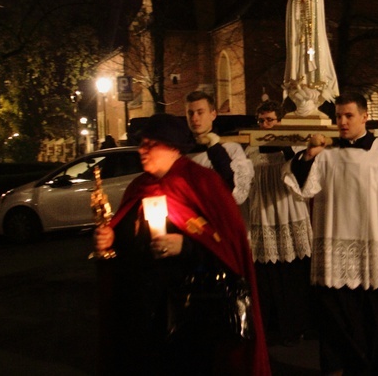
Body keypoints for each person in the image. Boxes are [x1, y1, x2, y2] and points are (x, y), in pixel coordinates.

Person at [93, 113, 270, 375]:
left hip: (194, 311)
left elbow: (227, 248)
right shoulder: (138, 187)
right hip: (145, 311)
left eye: (150, 144)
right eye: (142, 143)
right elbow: (125, 248)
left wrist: (185, 246)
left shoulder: (202, 182)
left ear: (173, 147)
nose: (142, 149)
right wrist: (109, 243)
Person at [282, 92, 378, 375]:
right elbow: (302, 187)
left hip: (374, 247)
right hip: (333, 249)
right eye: (338, 117)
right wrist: (309, 154)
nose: (343, 122)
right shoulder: (327, 153)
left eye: (348, 116)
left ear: (364, 117)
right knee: (337, 321)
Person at [243, 100, 313, 344]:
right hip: (263, 216)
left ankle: (298, 324)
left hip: (289, 213)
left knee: (292, 274)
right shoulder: (251, 150)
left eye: (270, 120)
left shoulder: (292, 145)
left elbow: (301, 178)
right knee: (268, 276)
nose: (264, 125)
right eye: (261, 120)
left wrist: (287, 150)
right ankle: (272, 327)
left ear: (280, 122)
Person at [283, 0, 339, 115]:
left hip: (312, 38)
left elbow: (317, 13)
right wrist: (298, 1)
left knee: (312, 58)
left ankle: (312, 84)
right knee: (300, 61)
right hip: (300, 36)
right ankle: (301, 83)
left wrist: (308, 2)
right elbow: (292, 13)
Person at [185, 90, 254, 206]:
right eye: (190, 113)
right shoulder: (180, 149)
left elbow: (237, 194)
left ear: (213, 114)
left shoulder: (232, 149)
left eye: (200, 112)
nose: (194, 118)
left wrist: (215, 149)